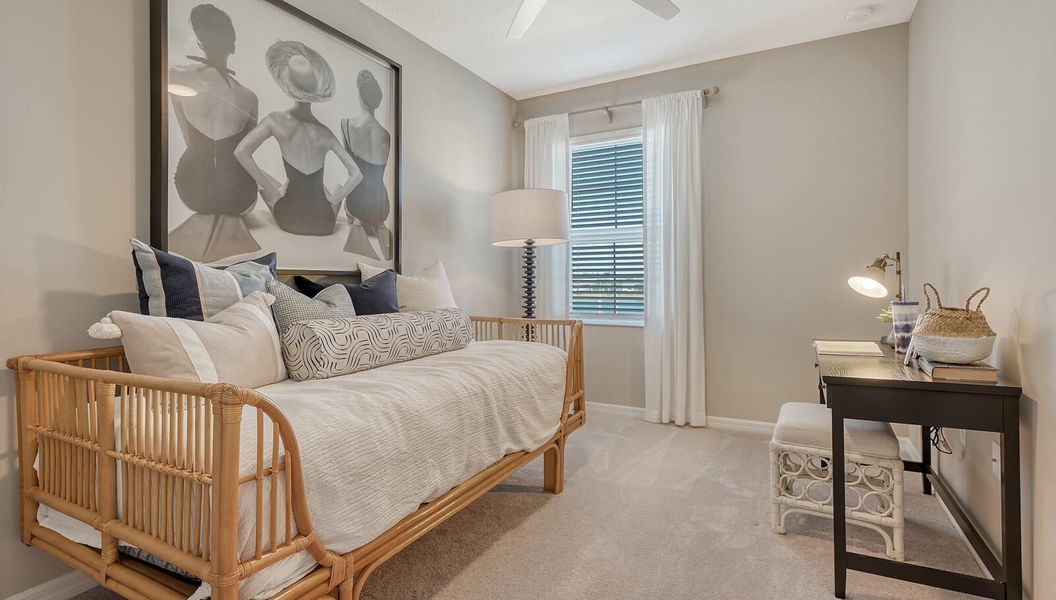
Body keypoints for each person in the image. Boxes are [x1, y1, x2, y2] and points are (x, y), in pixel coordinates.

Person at [235, 41, 362, 236]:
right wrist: (335, 198)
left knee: (264, 177)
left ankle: (285, 191)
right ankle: (315, 196)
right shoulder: (325, 132)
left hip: (289, 219)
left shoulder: (275, 120)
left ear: (288, 84)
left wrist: (273, 191)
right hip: (324, 223)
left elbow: (241, 152)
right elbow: (356, 174)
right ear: (316, 87)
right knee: (334, 187)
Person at [168, 3, 261, 262]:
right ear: (232, 44)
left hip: (192, 186)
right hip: (239, 194)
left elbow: (189, 139)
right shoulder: (249, 97)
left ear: (200, 41)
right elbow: (244, 154)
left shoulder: (177, 76)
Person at [341, 69, 392, 260]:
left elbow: (352, 171)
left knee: (352, 206)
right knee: (379, 224)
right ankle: (378, 225)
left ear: (359, 94)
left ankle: (358, 222)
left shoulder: (346, 124)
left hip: (357, 201)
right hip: (381, 204)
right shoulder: (386, 134)